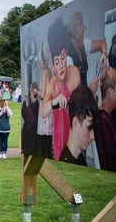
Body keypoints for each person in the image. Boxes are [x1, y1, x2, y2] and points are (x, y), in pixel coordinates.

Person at [40, 16, 81, 161]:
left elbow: (81, 103)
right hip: (59, 133)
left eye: (63, 58)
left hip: (73, 131)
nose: (61, 66)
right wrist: (54, 101)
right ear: (52, 65)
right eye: (57, 62)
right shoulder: (52, 83)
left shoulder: (74, 73)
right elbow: (43, 112)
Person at [65, 12, 107, 91]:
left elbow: (102, 43)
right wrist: (90, 91)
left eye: (83, 31)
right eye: (80, 36)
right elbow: (73, 94)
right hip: (79, 100)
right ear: (72, 39)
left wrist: (104, 55)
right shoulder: (68, 59)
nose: (83, 38)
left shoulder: (84, 44)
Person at [59, 85, 97, 166]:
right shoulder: (67, 167)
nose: (93, 136)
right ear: (76, 123)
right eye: (89, 128)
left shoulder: (78, 158)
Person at [21, 82, 40, 155]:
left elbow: (26, 115)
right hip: (30, 131)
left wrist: (26, 97)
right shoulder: (35, 104)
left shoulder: (36, 105)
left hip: (31, 132)